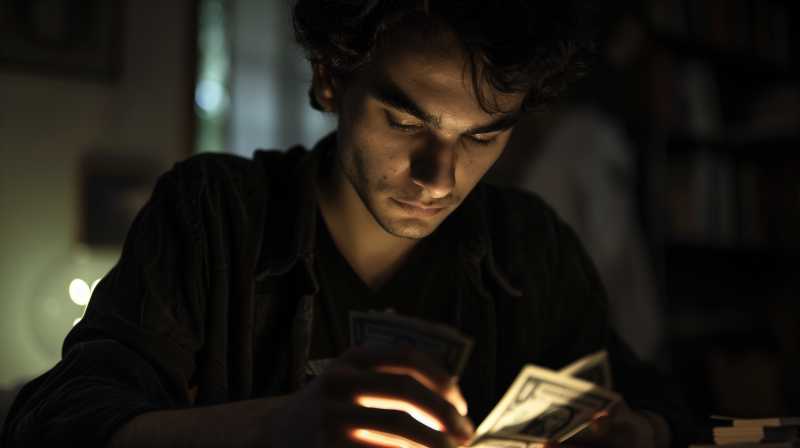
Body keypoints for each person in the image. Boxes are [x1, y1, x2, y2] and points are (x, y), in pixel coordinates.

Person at [0, 1, 693, 447]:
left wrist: (642, 433)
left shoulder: (531, 247)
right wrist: (279, 427)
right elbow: (56, 424)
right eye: (405, 120)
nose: (440, 177)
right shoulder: (211, 213)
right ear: (332, 77)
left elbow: (667, 404)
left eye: (483, 138)